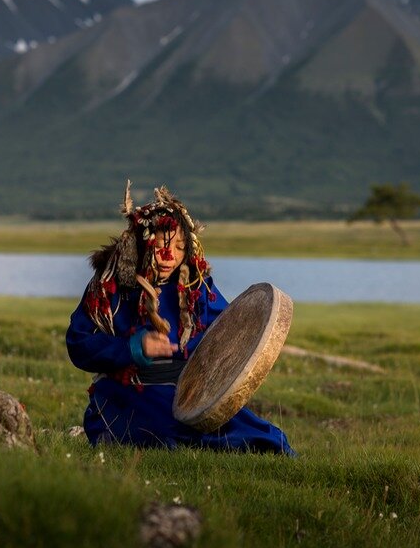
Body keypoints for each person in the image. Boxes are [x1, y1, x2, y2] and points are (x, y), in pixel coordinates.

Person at [65, 182, 294, 454]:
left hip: (188, 396)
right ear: (143, 242)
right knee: (172, 434)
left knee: (267, 438)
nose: (168, 257)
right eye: (161, 245)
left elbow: (228, 333)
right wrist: (133, 348)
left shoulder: (196, 287)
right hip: (127, 394)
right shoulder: (111, 287)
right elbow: (78, 345)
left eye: (179, 248)